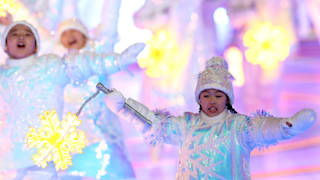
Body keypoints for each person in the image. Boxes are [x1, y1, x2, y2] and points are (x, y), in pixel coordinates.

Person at [103, 56, 317, 179]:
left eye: (218, 95)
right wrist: (124, 108)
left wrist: (288, 127)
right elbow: (155, 124)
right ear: (199, 98)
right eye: (206, 95)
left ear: (227, 99)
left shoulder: (238, 127)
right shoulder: (187, 125)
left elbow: (263, 129)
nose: (212, 100)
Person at [0, 20, 143, 180]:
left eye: (27, 34)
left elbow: (84, 64)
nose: (21, 37)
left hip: (41, 161)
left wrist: (118, 61)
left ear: (36, 45)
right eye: (14, 34)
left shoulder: (49, 67)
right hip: (5, 163)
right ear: (5, 44)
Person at [56, 19, 136, 180]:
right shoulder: (57, 63)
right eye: (64, 34)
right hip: (71, 142)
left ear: (84, 35)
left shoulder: (97, 54)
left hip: (102, 135)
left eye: (74, 31)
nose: (69, 36)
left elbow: (109, 21)